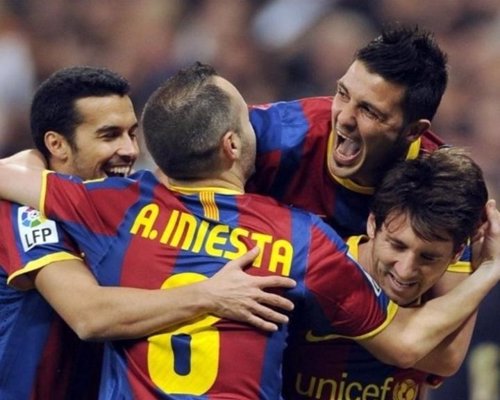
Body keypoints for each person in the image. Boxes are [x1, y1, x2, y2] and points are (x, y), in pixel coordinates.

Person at [0, 62, 499, 399]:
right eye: (248, 121)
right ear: (233, 146)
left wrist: (31, 162)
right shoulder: (302, 238)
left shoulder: (113, 204)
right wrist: (488, 269)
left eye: (132, 134)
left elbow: (16, 179)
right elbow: (409, 343)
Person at [0, 66, 295, 400]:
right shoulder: (25, 212)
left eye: (132, 133)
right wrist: (209, 295)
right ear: (57, 144)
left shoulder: (128, 207)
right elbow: (89, 316)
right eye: (109, 136)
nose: (129, 150)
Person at [246, 24, 478, 396]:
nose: (343, 117)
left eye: (370, 111)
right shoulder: (270, 139)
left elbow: (445, 355)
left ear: (413, 131)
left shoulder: (446, 186)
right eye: (342, 93)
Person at [283, 147, 488, 399]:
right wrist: (489, 269)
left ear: (456, 254)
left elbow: (447, 358)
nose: (406, 270)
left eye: (428, 257)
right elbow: (435, 355)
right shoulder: (320, 268)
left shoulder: (446, 292)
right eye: (397, 245)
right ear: (372, 224)